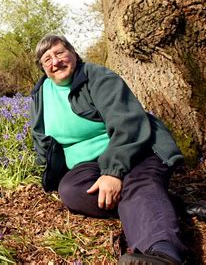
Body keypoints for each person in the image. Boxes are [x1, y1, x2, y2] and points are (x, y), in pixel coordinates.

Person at [30, 34, 188, 264]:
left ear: (73, 53)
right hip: (88, 164)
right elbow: (40, 136)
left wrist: (113, 173)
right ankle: (160, 203)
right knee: (72, 191)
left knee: (138, 184)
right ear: (43, 68)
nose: (55, 62)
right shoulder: (41, 94)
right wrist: (44, 171)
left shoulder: (98, 77)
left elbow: (128, 124)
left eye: (59, 53)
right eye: (47, 59)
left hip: (136, 149)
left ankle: (162, 253)